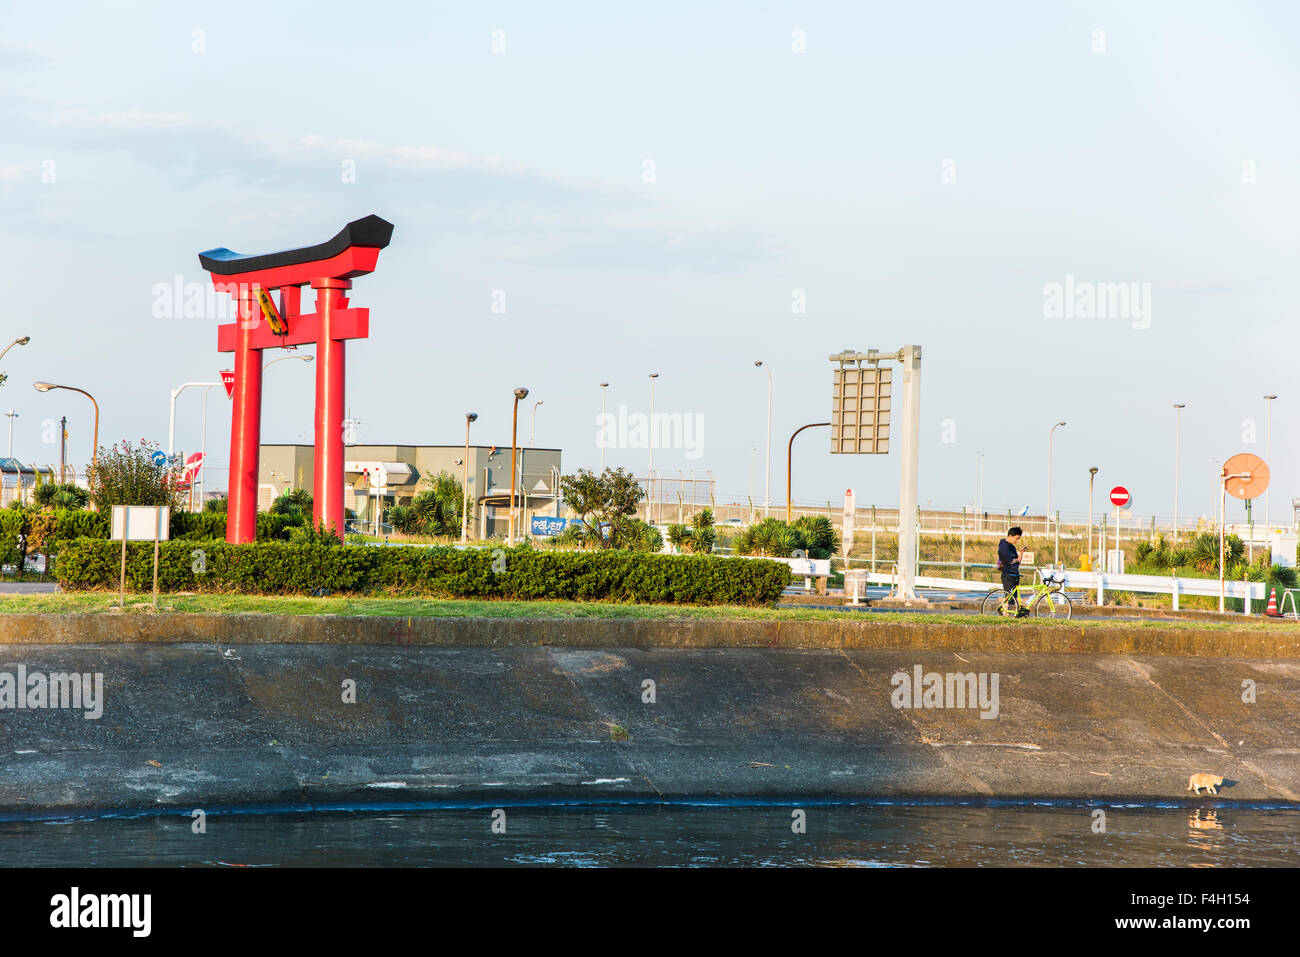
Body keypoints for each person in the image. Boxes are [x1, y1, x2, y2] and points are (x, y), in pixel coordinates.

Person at [997, 527, 1028, 617]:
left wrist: (1021, 553)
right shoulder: (1003, 546)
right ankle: (1004, 613)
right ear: (1010, 536)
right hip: (1007, 574)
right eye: (1016, 538)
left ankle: (1008, 614)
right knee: (1008, 596)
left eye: (1018, 539)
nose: (1017, 540)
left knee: (1013, 598)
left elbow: (1017, 562)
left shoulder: (1012, 547)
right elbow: (1010, 560)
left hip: (1014, 574)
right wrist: (1017, 558)